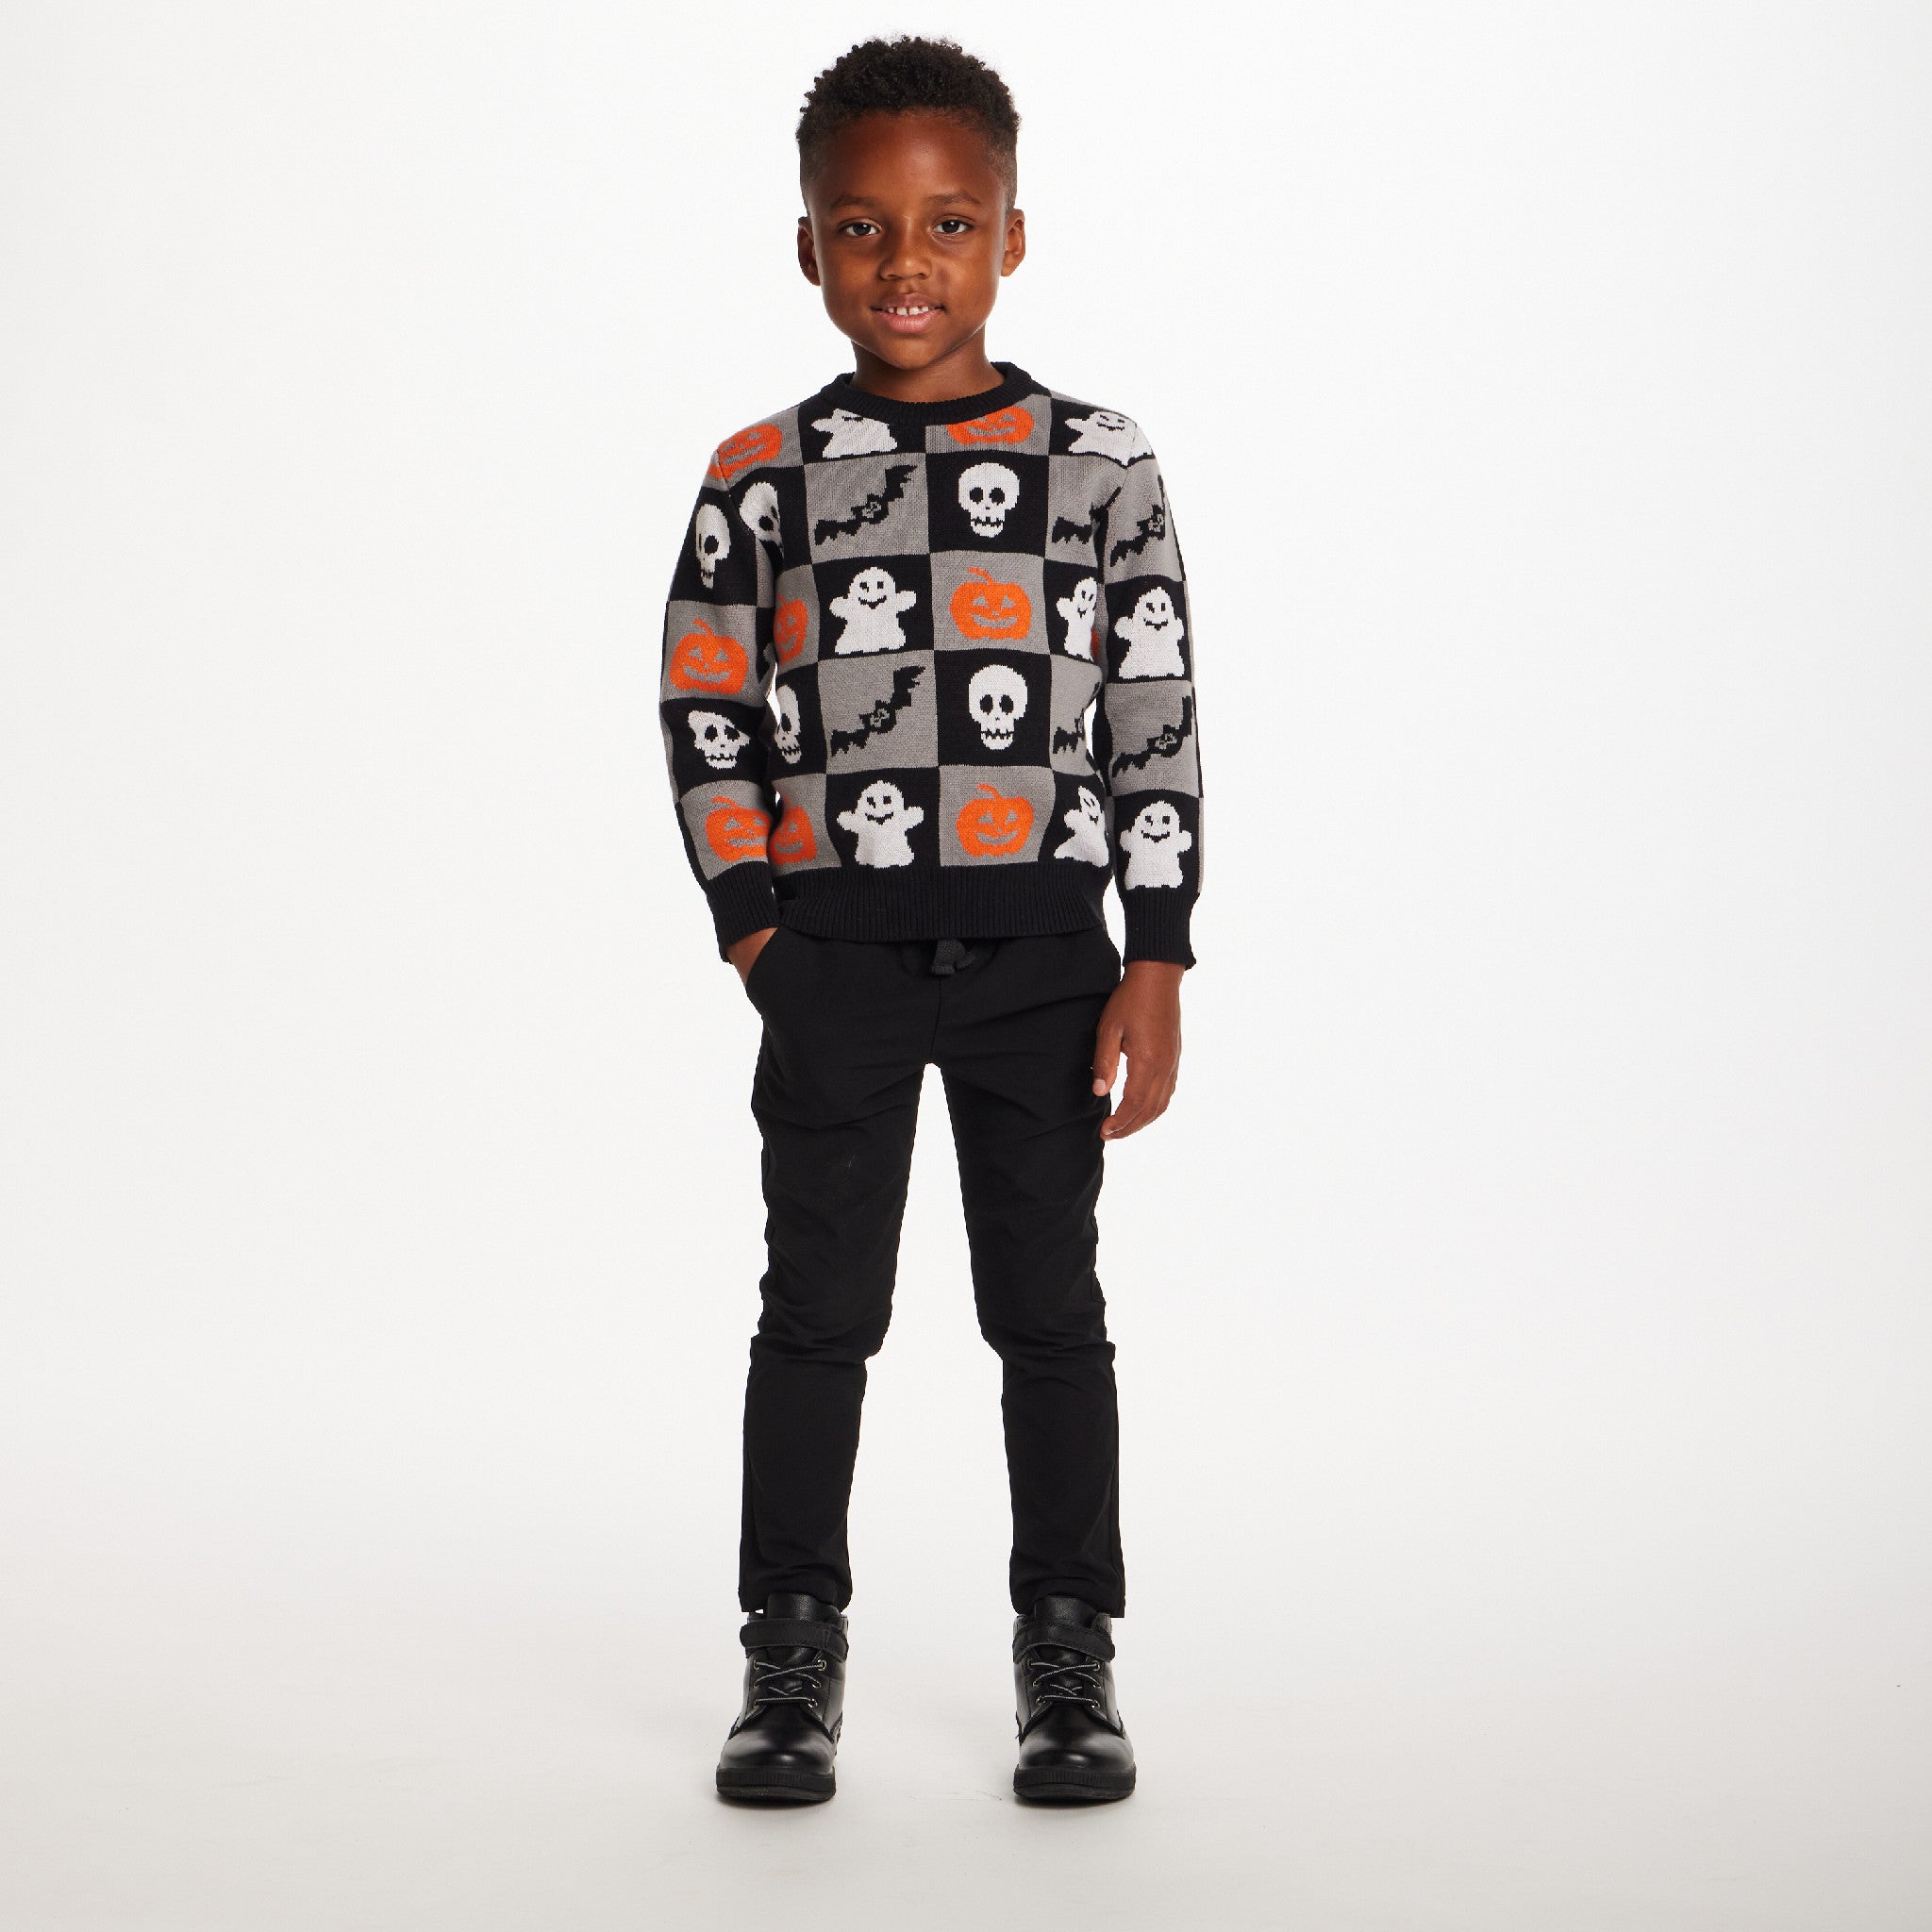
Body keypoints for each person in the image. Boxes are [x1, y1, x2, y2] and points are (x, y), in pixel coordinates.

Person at [658, 36, 1203, 1806]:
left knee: (1049, 1314)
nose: (907, 262)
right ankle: (789, 1653)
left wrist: (1157, 951)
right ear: (808, 246)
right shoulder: (762, 475)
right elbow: (706, 704)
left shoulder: (1098, 464)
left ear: (1013, 237)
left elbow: (1152, 713)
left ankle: (1069, 1652)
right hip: (835, 963)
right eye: (864, 226)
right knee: (818, 1313)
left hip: (1047, 962)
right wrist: (759, 932)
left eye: (949, 223)